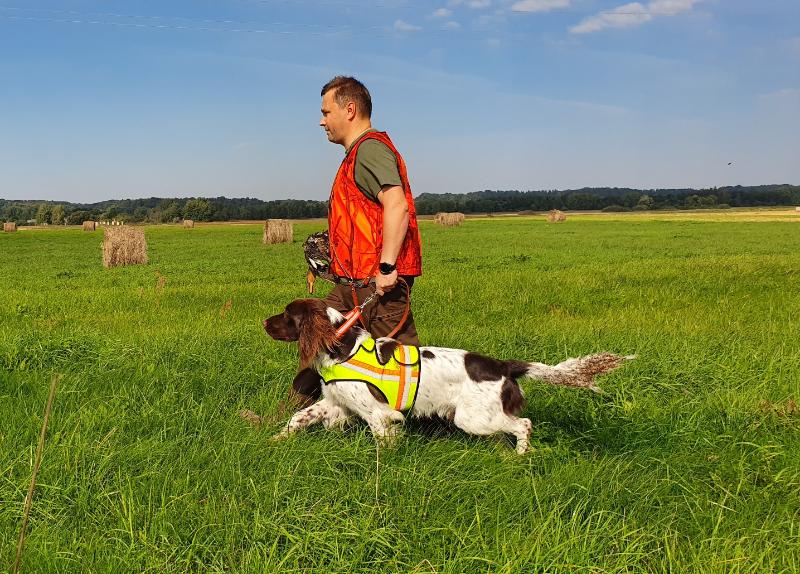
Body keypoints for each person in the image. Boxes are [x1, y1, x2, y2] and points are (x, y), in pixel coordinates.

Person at [289, 75, 423, 408]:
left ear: (349, 109)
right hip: (352, 283)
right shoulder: (355, 156)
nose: (321, 121)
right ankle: (289, 420)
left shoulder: (369, 150)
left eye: (326, 111)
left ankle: (438, 428)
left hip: (376, 282)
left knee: (403, 365)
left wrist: (388, 266)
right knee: (318, 340)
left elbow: (397, 204)